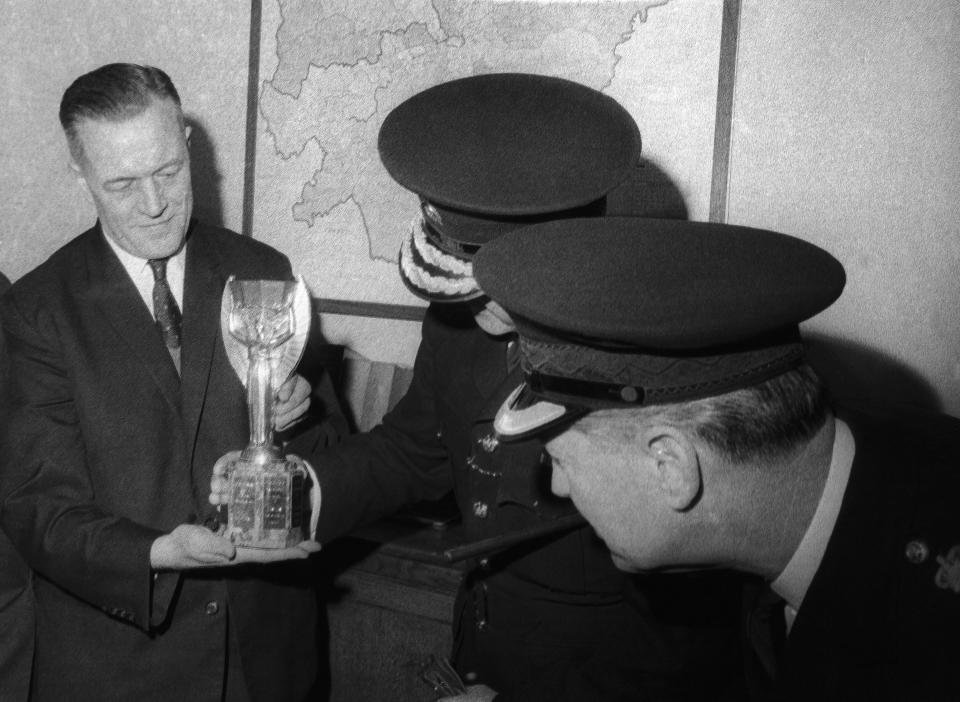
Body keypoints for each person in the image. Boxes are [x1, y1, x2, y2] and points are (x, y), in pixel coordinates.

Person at [223, 73, 744, 701]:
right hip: (483, 656)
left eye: (504, 290)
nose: (481, 311)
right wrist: (298, 491)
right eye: (465, 287)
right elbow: (413, 453)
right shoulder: (457, 325)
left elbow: (699, 608)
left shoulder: (670, 341)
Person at [473, 216, 960, 701]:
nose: (556, 486)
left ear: (671, 468)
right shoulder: (818, 493)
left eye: (560, 459)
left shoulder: (922, 659)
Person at [0, 63, 336, 702]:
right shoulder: (38, 310)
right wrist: (155, 552)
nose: (153, 204)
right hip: (121, 669)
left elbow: (331, 451)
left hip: (264, 663)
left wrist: (304, 414)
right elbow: (36, 508)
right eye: (122, 184)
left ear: (187, 141)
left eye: (168, 171)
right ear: (81, 174)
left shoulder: (263, 271)